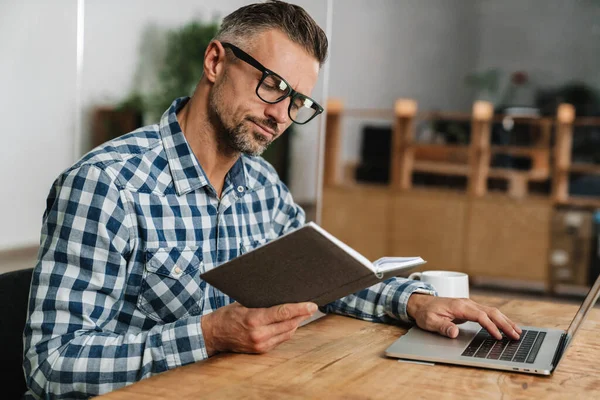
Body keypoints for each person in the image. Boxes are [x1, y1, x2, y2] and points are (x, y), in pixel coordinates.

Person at [23, 1, 522, 398]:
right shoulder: (107, 185)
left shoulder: (262, 187)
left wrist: (414, 302)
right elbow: (51, 367)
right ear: (215, 61)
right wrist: (210, 335)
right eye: (272, 86)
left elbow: (326, 281)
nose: (282, 114)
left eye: (298, 101)